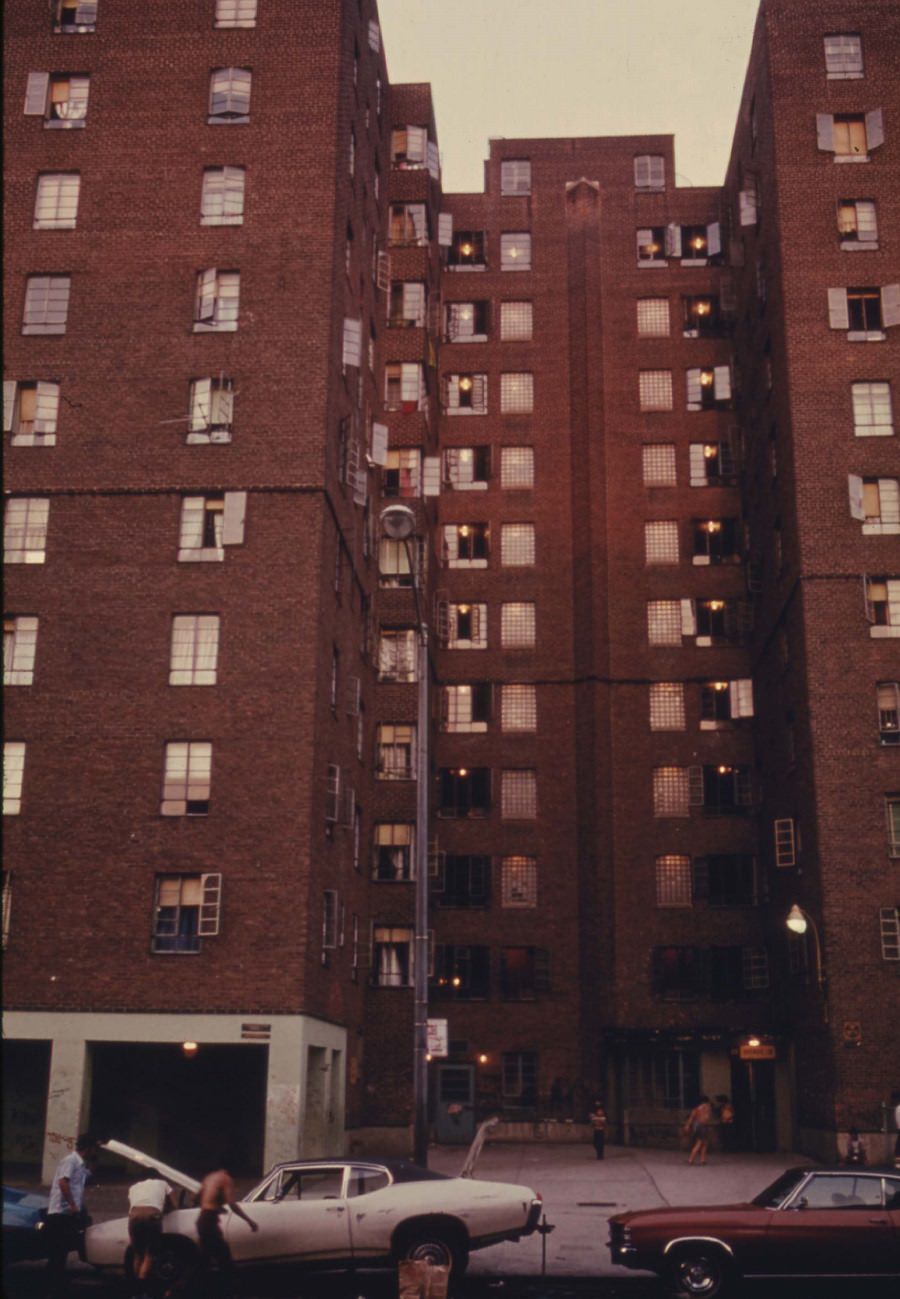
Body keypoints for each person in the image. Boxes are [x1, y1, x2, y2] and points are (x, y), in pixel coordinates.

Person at [45, 1133, 100, 1295]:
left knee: (63, 1250)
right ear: (88, 1148)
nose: (95, 1152)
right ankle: (51, 1287)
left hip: (69, 1213)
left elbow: (89, 1176)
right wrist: (73, 1205)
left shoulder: (81, 1165)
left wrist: (95, 1160)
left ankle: (56, 1284)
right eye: (94, 1149)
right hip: (60, 1212)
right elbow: (63, 1182)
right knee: (57, 1251)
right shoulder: (70, 1161)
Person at [196, 1157, 258, 1297]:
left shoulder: (209, 1177)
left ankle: (194, 1290)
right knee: (224, 1259)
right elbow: (232, 1204)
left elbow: (198, 1197)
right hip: (209, 1222)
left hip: (202, 1219)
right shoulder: (226, 1178)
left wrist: (216, 1208)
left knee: (204, 1259)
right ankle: (232, 1293)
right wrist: (249, 1220)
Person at [127, 1175, 178, 1297]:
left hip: (134, 1218)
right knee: (150, 1254)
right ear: (156, 1176)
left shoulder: (134, 1187)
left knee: (138, 1254)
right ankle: (143, 1290)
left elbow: (134, 1204)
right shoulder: (163, 1183)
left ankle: (135, 1291)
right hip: (152, 1216)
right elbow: (175, 1205)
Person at [686, 1096, 713, 1166]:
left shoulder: (696, 1108)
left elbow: (691, 1117)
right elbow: (707, 1117)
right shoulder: (707, 1107)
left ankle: (702, 1159)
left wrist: (688, 1125)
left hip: (698, 1125)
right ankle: (691, 1159)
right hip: (702, 1125)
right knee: (700, 1143)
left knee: (704, 1142)